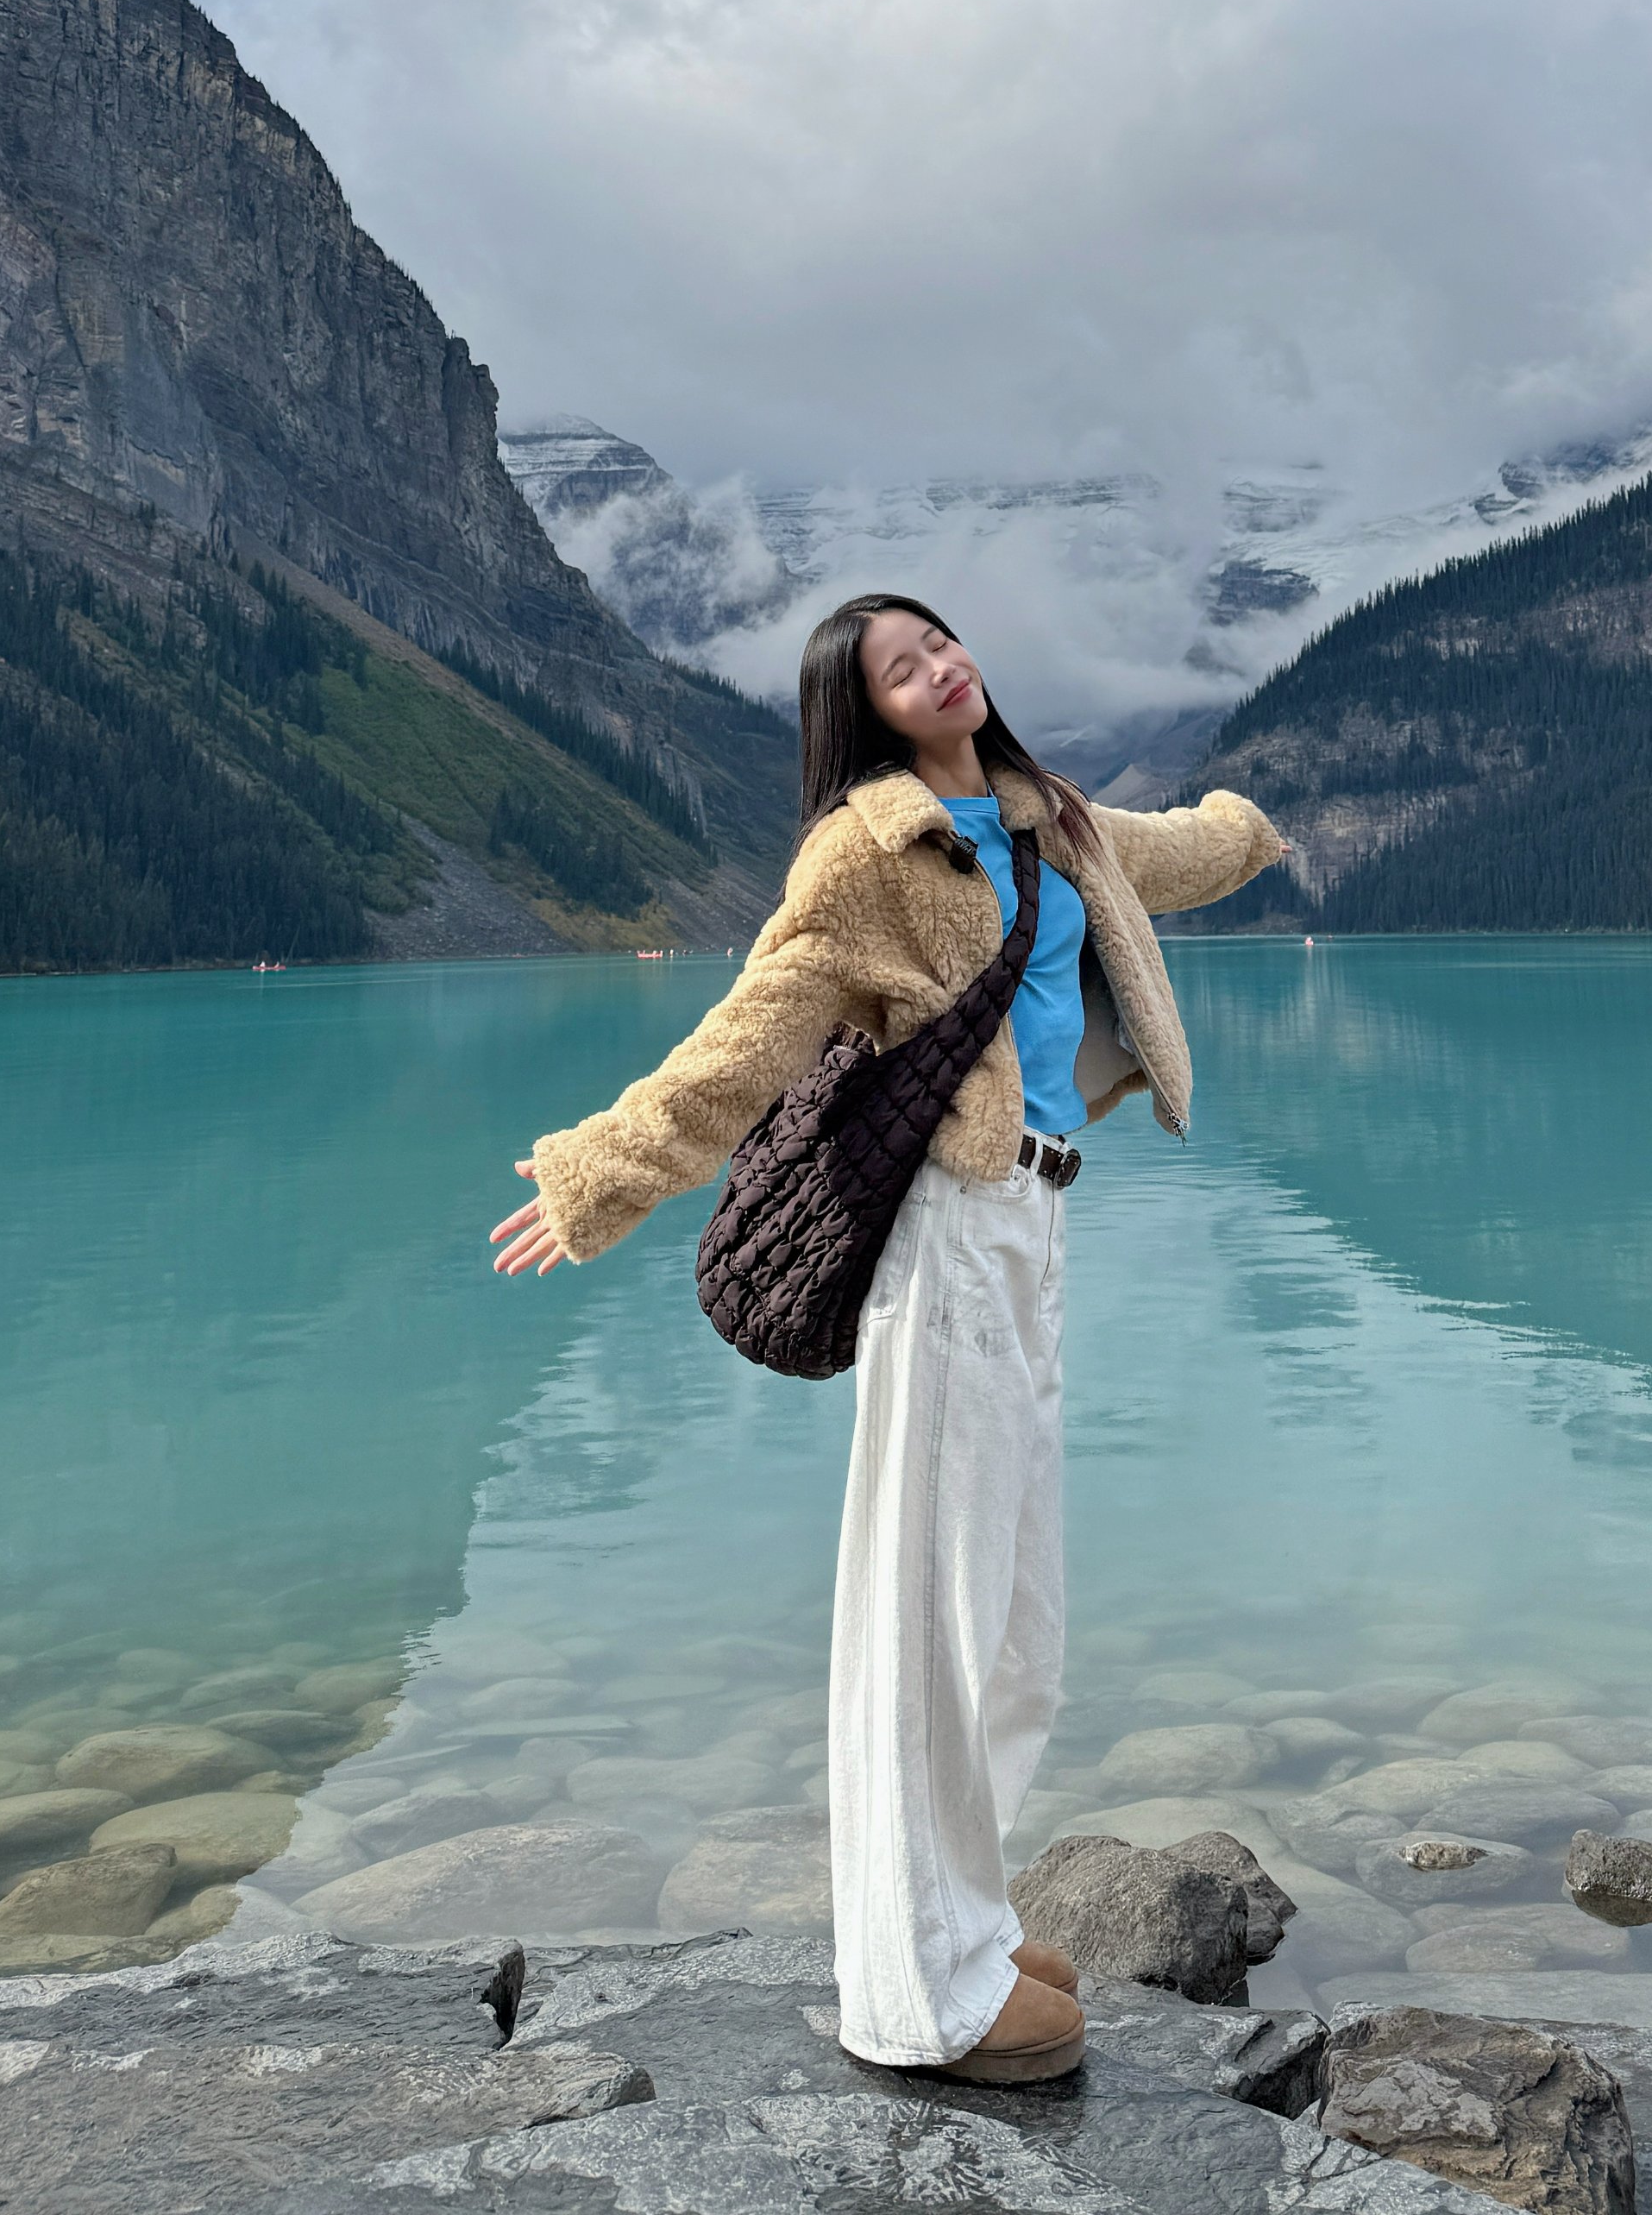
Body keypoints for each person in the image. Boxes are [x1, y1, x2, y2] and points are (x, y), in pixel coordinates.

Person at [491, 595, 1285, 2086]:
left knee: (1017, 1624)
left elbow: (1168, 857)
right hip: (947, 1236)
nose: (941, 669)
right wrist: (599, 1176)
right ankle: (920, 1996)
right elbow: (750, 1034)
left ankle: (964, 1922)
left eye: (941, 642)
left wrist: (1258, 821)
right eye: (903, 670)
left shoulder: (1044, 815)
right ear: (869, 714)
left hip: (1035, 1226)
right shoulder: (864, 854)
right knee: (931, 1615)